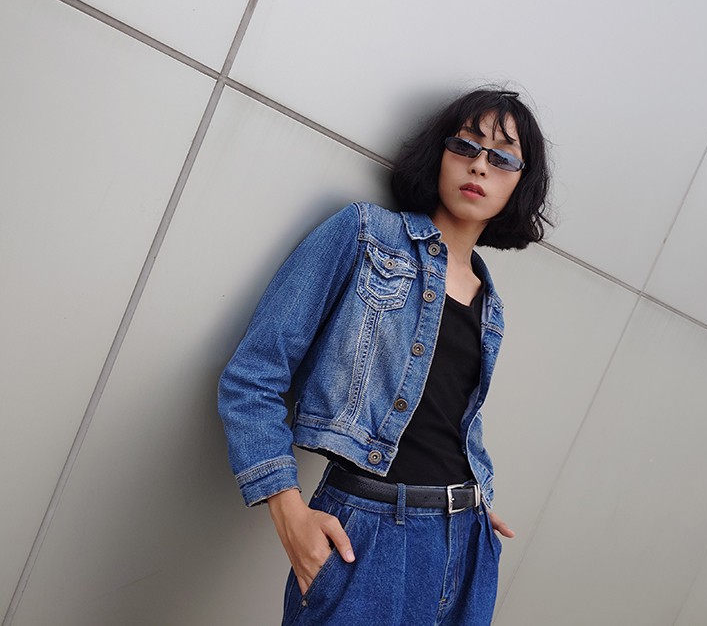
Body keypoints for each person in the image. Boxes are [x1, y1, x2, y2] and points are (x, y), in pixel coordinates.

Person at [218, 87, 552, 625]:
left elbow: (448, 418)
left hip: (465, 542)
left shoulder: (490, 303)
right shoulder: (365, 235)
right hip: (367, 537)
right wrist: (288, 511)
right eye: (465, 146)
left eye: (502, 158)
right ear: (439, 153)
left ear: (520, 182)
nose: (479, 166)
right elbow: (253, 377)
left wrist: (470, 502)